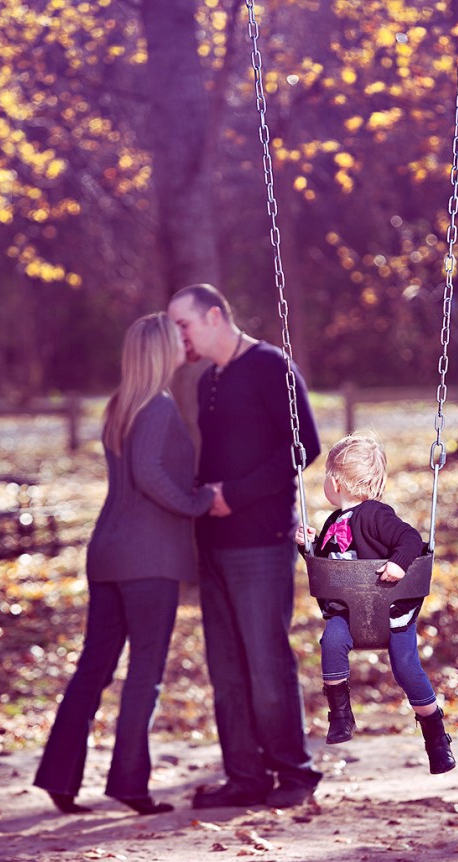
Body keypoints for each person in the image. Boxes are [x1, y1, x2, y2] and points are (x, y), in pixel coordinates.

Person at [34, 313, 216, 815]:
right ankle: (130, 784)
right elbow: (150, 475)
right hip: (147, 559)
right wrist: (200, 500)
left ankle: (59, 776)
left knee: (94, 667)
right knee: (144, 673)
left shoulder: (122, 404)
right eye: (177, 338)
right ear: (160, 349)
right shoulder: (157, 407)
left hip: (108, 552)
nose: (185, 342)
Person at [168, 283, 322, 809]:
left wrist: (235, 495)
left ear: (214, 316)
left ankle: (294, 775)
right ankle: (245, 776)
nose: (177, 335)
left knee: (265, 661)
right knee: (226, 666)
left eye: (182, 324)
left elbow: (305, 445)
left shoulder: (269, 365)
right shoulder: (209, 378)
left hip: (262, 540)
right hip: (212, 543)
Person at [295, 432, 456, 775]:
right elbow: (327, 566)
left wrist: (398, 562)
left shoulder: (376, 515)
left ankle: (436, 737)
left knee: (406, 670)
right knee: (332, 643)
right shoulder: (330, 523)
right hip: (347, 613)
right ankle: (340, 715)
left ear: (335, 482)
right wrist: (308, 547)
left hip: (392, 612)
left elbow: (410, 539)